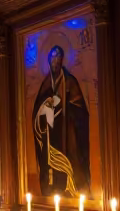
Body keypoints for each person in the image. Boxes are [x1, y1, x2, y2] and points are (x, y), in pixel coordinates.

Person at [32, 45, 91, 197]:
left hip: (67, 132)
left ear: (62, 60)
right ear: (48, 60)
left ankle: (73, 190)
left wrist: (64, 105)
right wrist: (46, 106)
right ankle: (53, 191)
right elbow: (37, 111)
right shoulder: (46, 84)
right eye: (52, 57)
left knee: (71, 159)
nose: (55, 60)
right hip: (50, 135)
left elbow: (81, 110)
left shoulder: (70, 82)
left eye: (58, 57)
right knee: (51, 166)